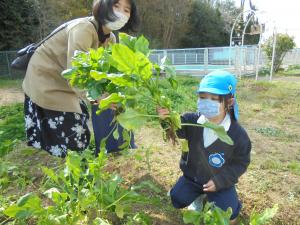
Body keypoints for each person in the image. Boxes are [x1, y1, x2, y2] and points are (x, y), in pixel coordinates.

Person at [22, 0, 139, 157]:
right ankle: (71, 165)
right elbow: (76, 72)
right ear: (102, 6)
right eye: (116, 6)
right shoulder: (84, 29)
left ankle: (79, 159)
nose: (121, 13)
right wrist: (99, 97)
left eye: (127, 10)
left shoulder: (110, 38)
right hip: (46, 77)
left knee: (81, 118)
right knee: (73, 131)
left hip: (65, 80)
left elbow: (107, 73)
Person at [158, 70, 251, 224]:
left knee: (229, 216)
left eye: (214, 99)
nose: (206, 103)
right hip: (193, 177)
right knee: (177, 198)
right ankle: (198, 198)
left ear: (229, 102)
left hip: (219, 182)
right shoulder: (191, 121)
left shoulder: (237, 134)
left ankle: (226, 197)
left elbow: (241, 162)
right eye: (202, 97)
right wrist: (165, 120)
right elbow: (175, 129)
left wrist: (221, 181)